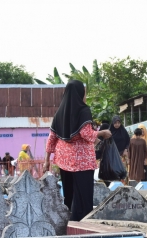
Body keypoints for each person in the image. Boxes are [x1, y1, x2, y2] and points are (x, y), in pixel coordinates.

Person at [44, 79, 112, 221]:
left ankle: (68, 222)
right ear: (79, 93)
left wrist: (46, 160)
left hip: (64, 161)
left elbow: (52, 138)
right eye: (84, 92)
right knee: (83, 195)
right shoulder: (83, 110)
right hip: (82, 162)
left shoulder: (60, 112)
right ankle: (81, 223)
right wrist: (101, 133)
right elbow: (86, 134)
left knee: (69, 194)